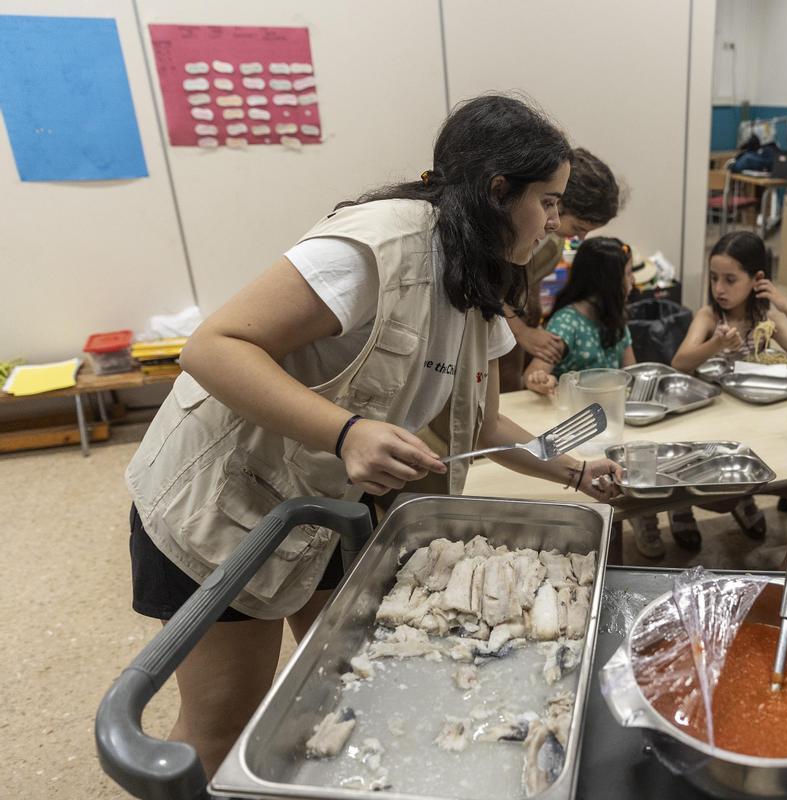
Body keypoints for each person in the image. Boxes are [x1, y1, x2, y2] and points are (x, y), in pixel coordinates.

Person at [124, 94, 622, 776]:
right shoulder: (377, 245)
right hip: (220, 505)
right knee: (224, 722)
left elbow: (479, 424)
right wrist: (347, 431)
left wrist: (573, 470)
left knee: (341, 672)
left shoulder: (475, 271)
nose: (556, 223)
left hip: (317, 506)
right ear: (499, 190)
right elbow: (212, 347)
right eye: (549, 202)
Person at [646, 232, 787, 556]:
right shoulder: (710, 317)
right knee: (707, 470)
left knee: (760, 457)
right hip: (712, 416)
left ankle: (744, 498)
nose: (719, 289)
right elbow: (680, 362)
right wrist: (716, 344)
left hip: (751, 411)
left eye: (730, 279)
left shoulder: (763, 318)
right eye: (714, 279)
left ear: (757, 280)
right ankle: (681, 508)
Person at [498, 148, 622, 392]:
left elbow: (528, 285)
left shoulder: (553, 245)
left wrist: (529, 321)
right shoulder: (510, 234)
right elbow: (486, 287)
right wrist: (521, 330)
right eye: (578, 226)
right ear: (556, 201)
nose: (582, 237)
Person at [523, 236, 636, 394]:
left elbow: (630, 374)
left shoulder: (616, 318)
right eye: (629, 273)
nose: (633, 280)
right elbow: (531, 376)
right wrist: (542, 380)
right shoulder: (567, 322)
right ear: (609, 282)